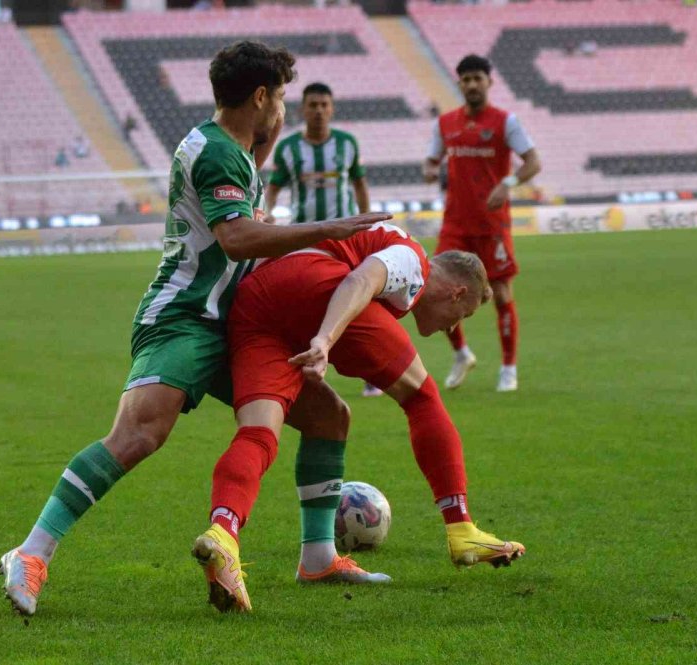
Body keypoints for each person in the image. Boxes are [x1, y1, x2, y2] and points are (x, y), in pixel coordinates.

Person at [0, 41, 389, 617]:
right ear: (260, 96)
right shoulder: (214, 154)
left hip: (236, 324)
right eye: (279, 97)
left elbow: (252, 187)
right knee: (138, 435)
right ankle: (30, 553)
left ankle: (319, 556)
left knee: (328, 416)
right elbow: (237, 238)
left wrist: (272, 132)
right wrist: (328, 229)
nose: (284, 108)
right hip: (184, 317)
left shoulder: (233, 147)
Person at [192, 223, 526, 612]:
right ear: (458, 292)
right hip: (316, 284)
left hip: (255, 300)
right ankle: (462, 528)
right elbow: (360, 280)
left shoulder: (384, 259)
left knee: (268, 431)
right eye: (460, 315)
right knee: (422, 398)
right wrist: (325, 340)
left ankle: (227, 535)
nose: (452, 327)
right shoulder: (411, 256)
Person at [424, 54, 541, 392]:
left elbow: (533, 161)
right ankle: (461, 354)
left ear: (490, 82)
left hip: (493, 226)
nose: (472, 84)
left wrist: (508, 184)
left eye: (478, 78)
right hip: (455, 225)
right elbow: (430, 161)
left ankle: (508, 367)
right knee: (438, 291)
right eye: (466, 79)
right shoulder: (445, 124)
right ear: (459, 83)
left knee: (501, 293)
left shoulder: (506, 122)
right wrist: (430, 170)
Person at [265, 82, 381, 397]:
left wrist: (366, 219)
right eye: (312, 105)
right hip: (305, 236)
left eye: (323, 105)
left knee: (359, 302)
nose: (318, 110)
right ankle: (309, 368)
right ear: (303, 108)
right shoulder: (288, 148)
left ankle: (373, 372)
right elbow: (274, 185)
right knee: (309, 301)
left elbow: (359, 184)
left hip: (345, 238)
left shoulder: (347, 144)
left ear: (332, 108)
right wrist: (267, 211)